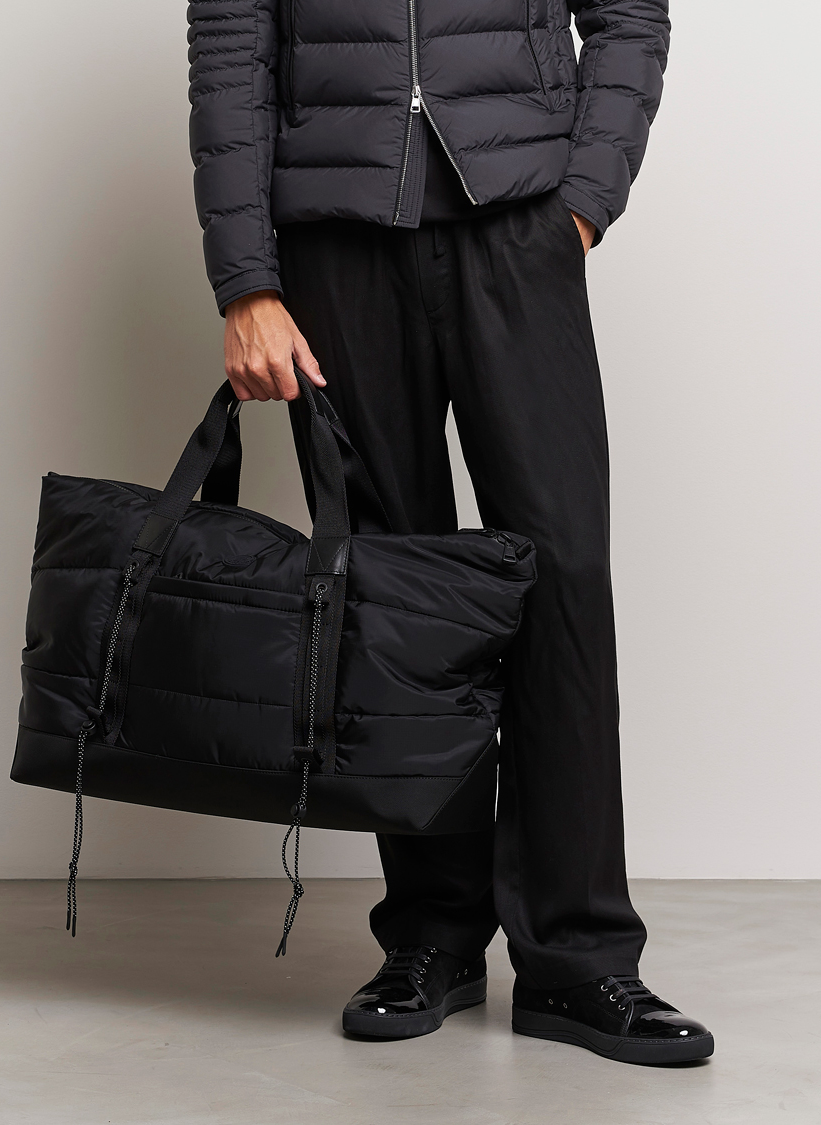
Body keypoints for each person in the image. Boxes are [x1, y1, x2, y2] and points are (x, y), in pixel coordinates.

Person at [186, 0, 713, 1063]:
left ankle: (578, 957)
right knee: (387, 592)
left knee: (563, 579)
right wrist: (246, 280)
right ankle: (433, 935)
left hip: (519, 218)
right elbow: (232, 42)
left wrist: (583, 200)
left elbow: (629, 15)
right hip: (336, 232)